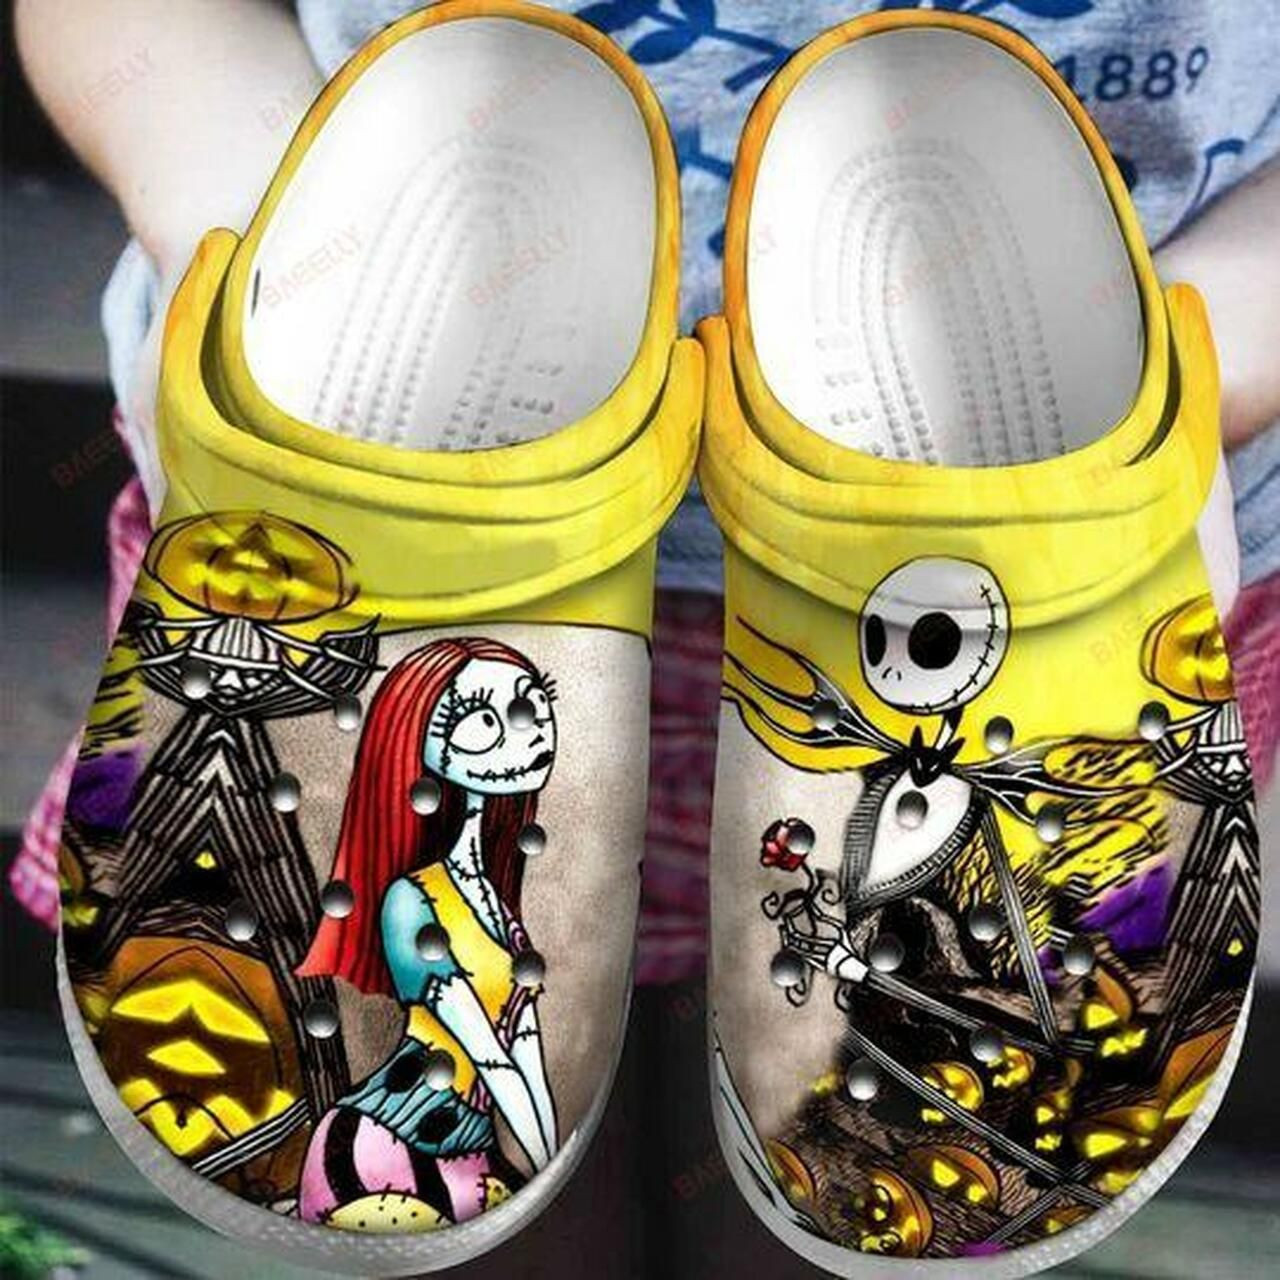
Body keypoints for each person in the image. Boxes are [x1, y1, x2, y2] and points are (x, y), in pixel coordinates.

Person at [12, 1, 1279, 978]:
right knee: (484, 1095)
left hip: (1099, 530)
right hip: (350, 466)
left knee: (833, 1131)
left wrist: (1196, 363)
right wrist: (256, 249)